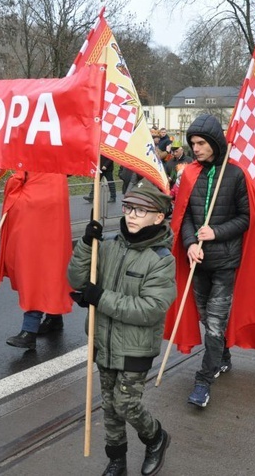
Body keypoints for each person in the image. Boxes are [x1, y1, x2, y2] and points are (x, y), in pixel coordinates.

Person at [166, 114, 255, 409]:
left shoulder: (235, 175)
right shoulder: (190, 174)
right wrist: (191, 243)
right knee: (206, 317)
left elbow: (246, 218)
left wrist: (216, 231)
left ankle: (203, 381)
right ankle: (222, 357)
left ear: (215, 143)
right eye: (193, 143)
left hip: (225, 263)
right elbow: (186, 217)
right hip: (199, 263)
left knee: (216, 324)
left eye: (201, 143)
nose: (196, 148)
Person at [67, 180, 176, 476]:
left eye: (141, 210)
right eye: (129, 207)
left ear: (158, 217)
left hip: (135, 345)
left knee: (126, 404)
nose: (131, 215)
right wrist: (85, 245)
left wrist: (100, 298)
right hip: (103, 340)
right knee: (110, 408)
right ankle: (117, 460)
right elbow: (77, 279)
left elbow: (150, 309)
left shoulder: (162, 260)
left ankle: (155, 437)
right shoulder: (110, 244)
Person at [0, 172, 72, 350]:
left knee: (34, 272)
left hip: (34, 223)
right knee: (51, 268)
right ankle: (54, 317)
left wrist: (15, 179)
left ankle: (29, 330)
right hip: (50, 221)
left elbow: (17, 190)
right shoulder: (57, 170)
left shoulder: (35, 165)